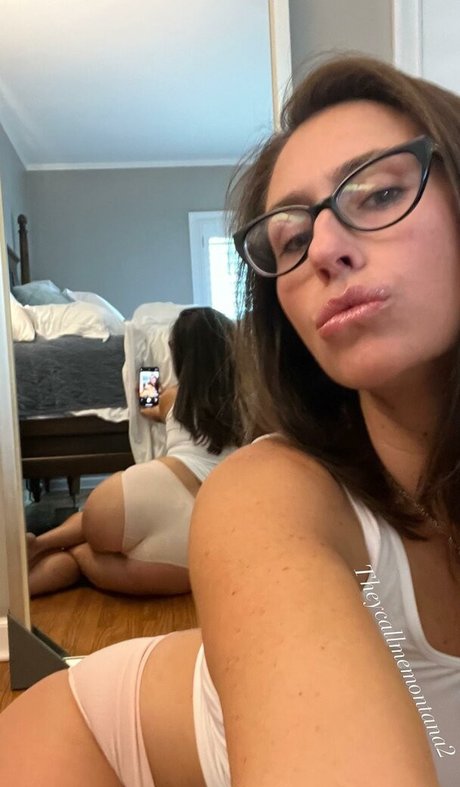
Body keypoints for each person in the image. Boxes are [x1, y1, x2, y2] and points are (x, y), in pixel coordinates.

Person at [2, 53, 460, 786]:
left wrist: (145, 382)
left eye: (378, 193)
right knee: (96, 556)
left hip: (154, 491)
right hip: (177, 543)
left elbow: (146, 416)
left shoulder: (162, 382)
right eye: (290, 241)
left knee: (87, 542)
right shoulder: (260, 465)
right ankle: (54, 551)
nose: (324, 250)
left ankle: (36, 544)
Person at [26, 306, 242, 596]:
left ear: (179, 355)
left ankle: (39, 545)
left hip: (153, 489)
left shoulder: (174, 397)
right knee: (79, 557)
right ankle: (43, 557)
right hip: (205, 537)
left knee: (81, 545)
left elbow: (146, 406)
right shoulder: (246, 403)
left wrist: (147, 363)